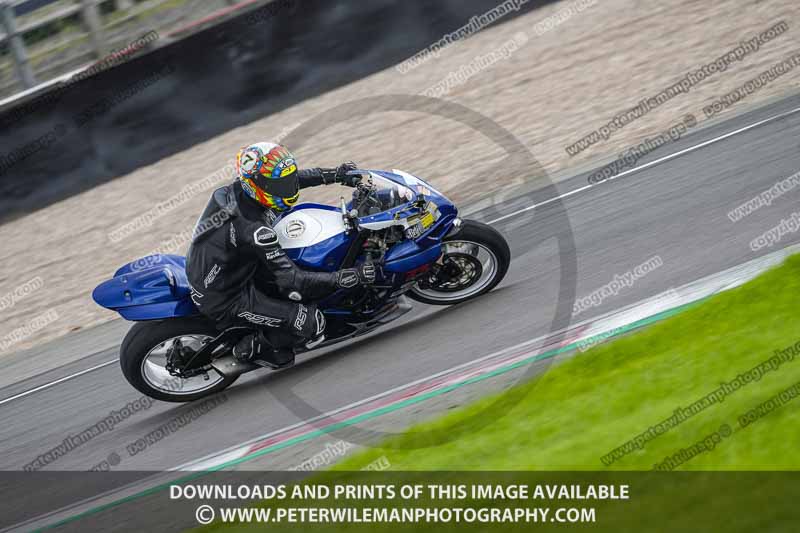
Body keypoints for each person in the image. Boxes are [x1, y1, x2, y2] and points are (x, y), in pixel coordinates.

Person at [185, 142, 376, 368]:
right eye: (280, 184)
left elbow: (290, 180)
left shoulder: (240, 190)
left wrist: (334, 174)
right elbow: (293, 281)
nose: (288, 188)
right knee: (311, 323)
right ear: (256, 185)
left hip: (225, 265)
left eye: (287, 180)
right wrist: (346, 277)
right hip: (227, 296)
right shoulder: (256, 230)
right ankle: (250, 348)